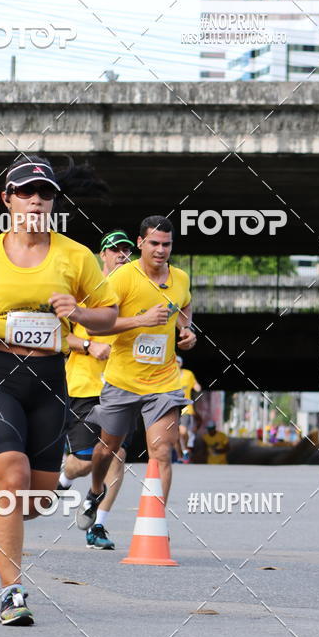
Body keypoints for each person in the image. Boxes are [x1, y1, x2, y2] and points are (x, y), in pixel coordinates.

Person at [0, 155, 118, 626]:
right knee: (11, 476)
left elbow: (108, 316)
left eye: (45, 193)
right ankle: (11, 592)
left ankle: (0, 531)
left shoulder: (75, 256)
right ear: (7, 199)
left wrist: (78, 312)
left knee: (36, 502)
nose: (35, 200)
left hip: (49, 379)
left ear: (53, 202)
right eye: (25, 192)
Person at [79, 215, 196, 530]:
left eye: (166, 244)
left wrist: (187, 331)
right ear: (141, 243)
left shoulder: (180, 278)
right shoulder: (121, 278)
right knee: (107, 449)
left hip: (164, 381)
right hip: (123, 380)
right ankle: (95, 490)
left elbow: (184, 306)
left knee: (162, 451)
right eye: (154, 243)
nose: (160, 250)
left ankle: (154, 524)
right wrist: (140, 321)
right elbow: (95, 326)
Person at [59, 229, 134, 550]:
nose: (122, 255)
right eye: (115, 250)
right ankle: (64, 478)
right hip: (84, 386)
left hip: (122, 386)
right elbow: (60, 336)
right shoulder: (84, 292)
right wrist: (89, 346)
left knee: (118, 454)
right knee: (84, 461)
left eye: (126, 250)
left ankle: (97, 523)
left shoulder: (135, 293)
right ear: (102, 255)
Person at [176, 356, 201, 463]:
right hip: (171, 407)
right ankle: (179, 457)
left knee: (183, 432)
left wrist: (197, 387)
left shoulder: (188, 374)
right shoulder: (167, 374)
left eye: (177, 362)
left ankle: (185, 450)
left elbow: (196, 385)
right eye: (173, 362)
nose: (175, 363)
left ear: (181, 364)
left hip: (185, 408)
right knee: (175, 436)